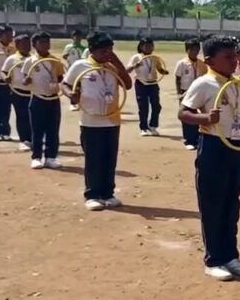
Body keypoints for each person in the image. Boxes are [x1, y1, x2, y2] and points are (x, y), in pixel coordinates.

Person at [179, 36, 240, 281]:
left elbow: (236, 112)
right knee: (213, 204)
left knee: (231, 202)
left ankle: (231, 256)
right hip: (214, 146)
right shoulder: (204, 84)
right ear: (210, 61)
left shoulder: (238, 84)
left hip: (236, 146)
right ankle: (214, 259)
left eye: (234, 56)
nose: (233, 61)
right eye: (227, 57)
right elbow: (183, 112)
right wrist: (205, 119)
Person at [62, 32, 133, 211]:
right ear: (92, 50)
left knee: (110, 159)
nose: (107, 53)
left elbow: (128, 84)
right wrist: (71, 94)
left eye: (110, 50)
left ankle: (108, 193)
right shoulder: (80, 66)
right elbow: (65, 84)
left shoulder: (112, 66)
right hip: (90, 121)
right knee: (94, 159)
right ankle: (92, 194)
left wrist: (117, 63)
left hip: (112, 120)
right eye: (103, 50)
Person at [22, 32, 64, 170]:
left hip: (53, 98)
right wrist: (26, 81)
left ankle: (51, 157)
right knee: (37, 130)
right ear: (34, 45)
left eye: (47, 42)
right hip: (38, 98)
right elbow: (24, 78)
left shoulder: (55, 61)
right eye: (42, 42)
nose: (46, 45)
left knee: (53, 129)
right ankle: (36, 157)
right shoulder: (30, 61)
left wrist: (58, 85)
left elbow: (60, 77)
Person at [127, 37, 167, 136]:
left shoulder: (155, 57)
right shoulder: (136, 57)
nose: (149, 47)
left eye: (151, 45)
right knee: (143, 106)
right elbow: (128, 69)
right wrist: (134, 66)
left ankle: (153, 126)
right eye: (146, 46)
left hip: (153, 83)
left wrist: (163, 71)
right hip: (141, 83)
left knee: (156, 106)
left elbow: (159, 68)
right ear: (141, 47)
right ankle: (143, 127)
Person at [2, 34, 33, 152]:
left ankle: (32, 138)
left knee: (33, 116)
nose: (27, 46)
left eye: (28, 44)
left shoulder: (34, 58)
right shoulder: (12, 59)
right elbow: (4, 71)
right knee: (22, 116)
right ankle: (24, 140)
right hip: (18, 92)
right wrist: (6, 78)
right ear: (17, 45)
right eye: (24, 44)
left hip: (33, 93)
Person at [175, 38, 208, 150]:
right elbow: (178, 78)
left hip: (199, 91)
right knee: (187, 115)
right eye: (192, 49)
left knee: (199, 115)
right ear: (187, 50)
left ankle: (197, 138)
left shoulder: (202, 64)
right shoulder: (182, 63)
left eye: (197, 49)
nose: (195, 52)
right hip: (186, 92)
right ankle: (188, 140)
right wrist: (179, 93)